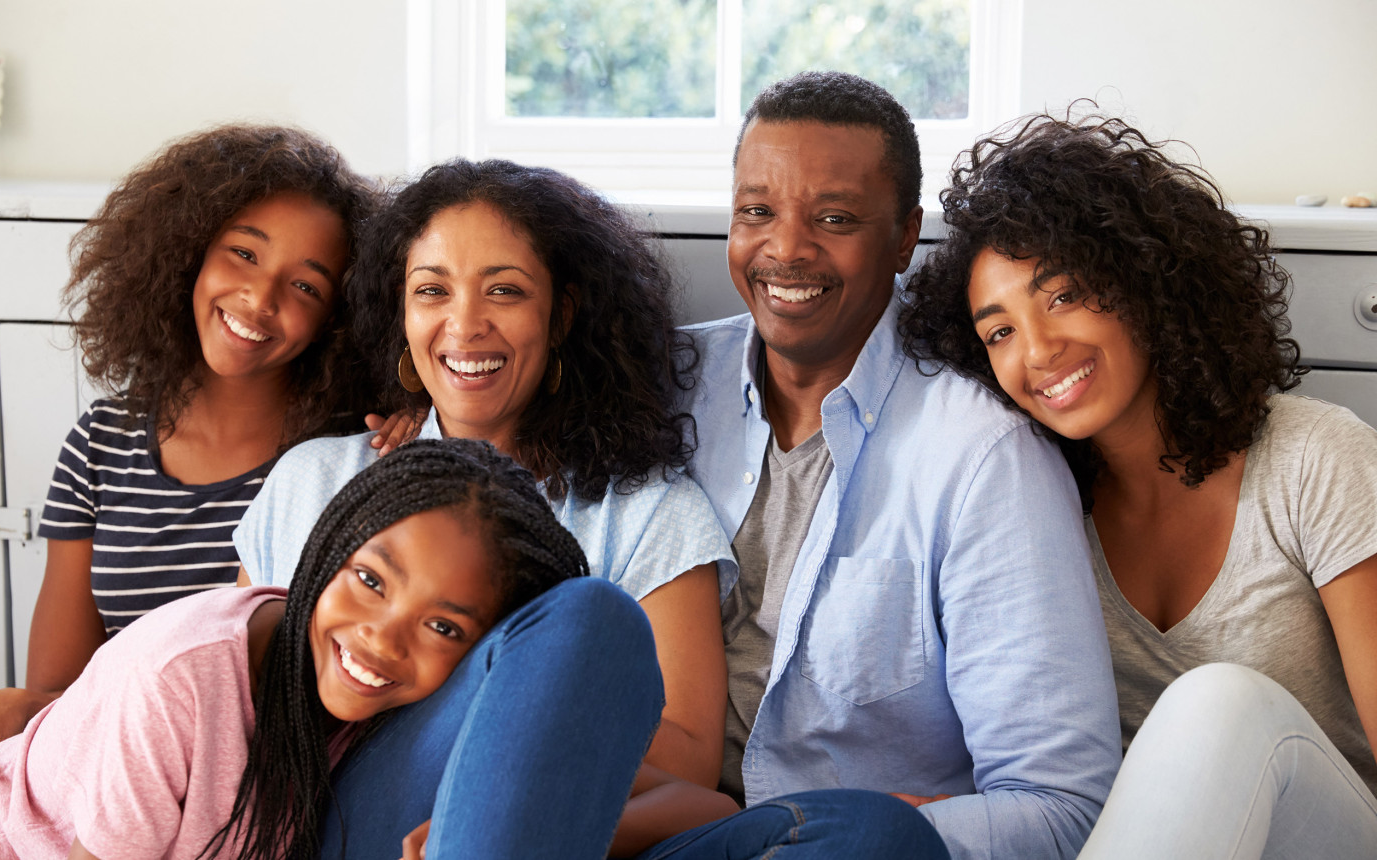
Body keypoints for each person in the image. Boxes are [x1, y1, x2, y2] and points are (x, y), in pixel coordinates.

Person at [638, 72, 1122, 860]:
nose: (786, 248)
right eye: (757, 212)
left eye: (834, 218)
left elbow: (1060, 806)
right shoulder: (660, 386)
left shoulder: (986, 459)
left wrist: (861, 830)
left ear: (903, 237)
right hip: (645, 826)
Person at [901, 113, 1377, 858]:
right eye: (1000, 332)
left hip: (1329, 835)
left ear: (1148, 279)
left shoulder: (1316, 456)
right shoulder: (1035, 510)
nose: (1039, 351)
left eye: (1062, 295)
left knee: (1218, 702)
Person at [236, 158, 740, 856]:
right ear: (402, 313)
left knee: (866, 828)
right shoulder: (315, 478)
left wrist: (514, 740)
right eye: (432, 290)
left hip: (548, 826)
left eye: (504, 290)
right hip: (326, 819)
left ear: (560, 315)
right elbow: (232, 685)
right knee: (582, 616)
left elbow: (687, 757)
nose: (465, 325)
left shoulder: (650, 510)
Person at [0, 438, 669, 860]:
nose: (382, 637)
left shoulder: (405, 702)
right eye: (370, 580)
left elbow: (706, 805)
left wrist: (513, 828)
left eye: (444, 627)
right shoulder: (180, 681)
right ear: (330, 546)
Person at [0, 125, 378, 749]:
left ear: (338, 319)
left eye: (305, 285)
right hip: (118, 766)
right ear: (189, 249)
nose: (259, 296)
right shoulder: (100, 443)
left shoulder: (342, 461)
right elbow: (59, 690)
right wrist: (23, 707)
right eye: (244, 253)